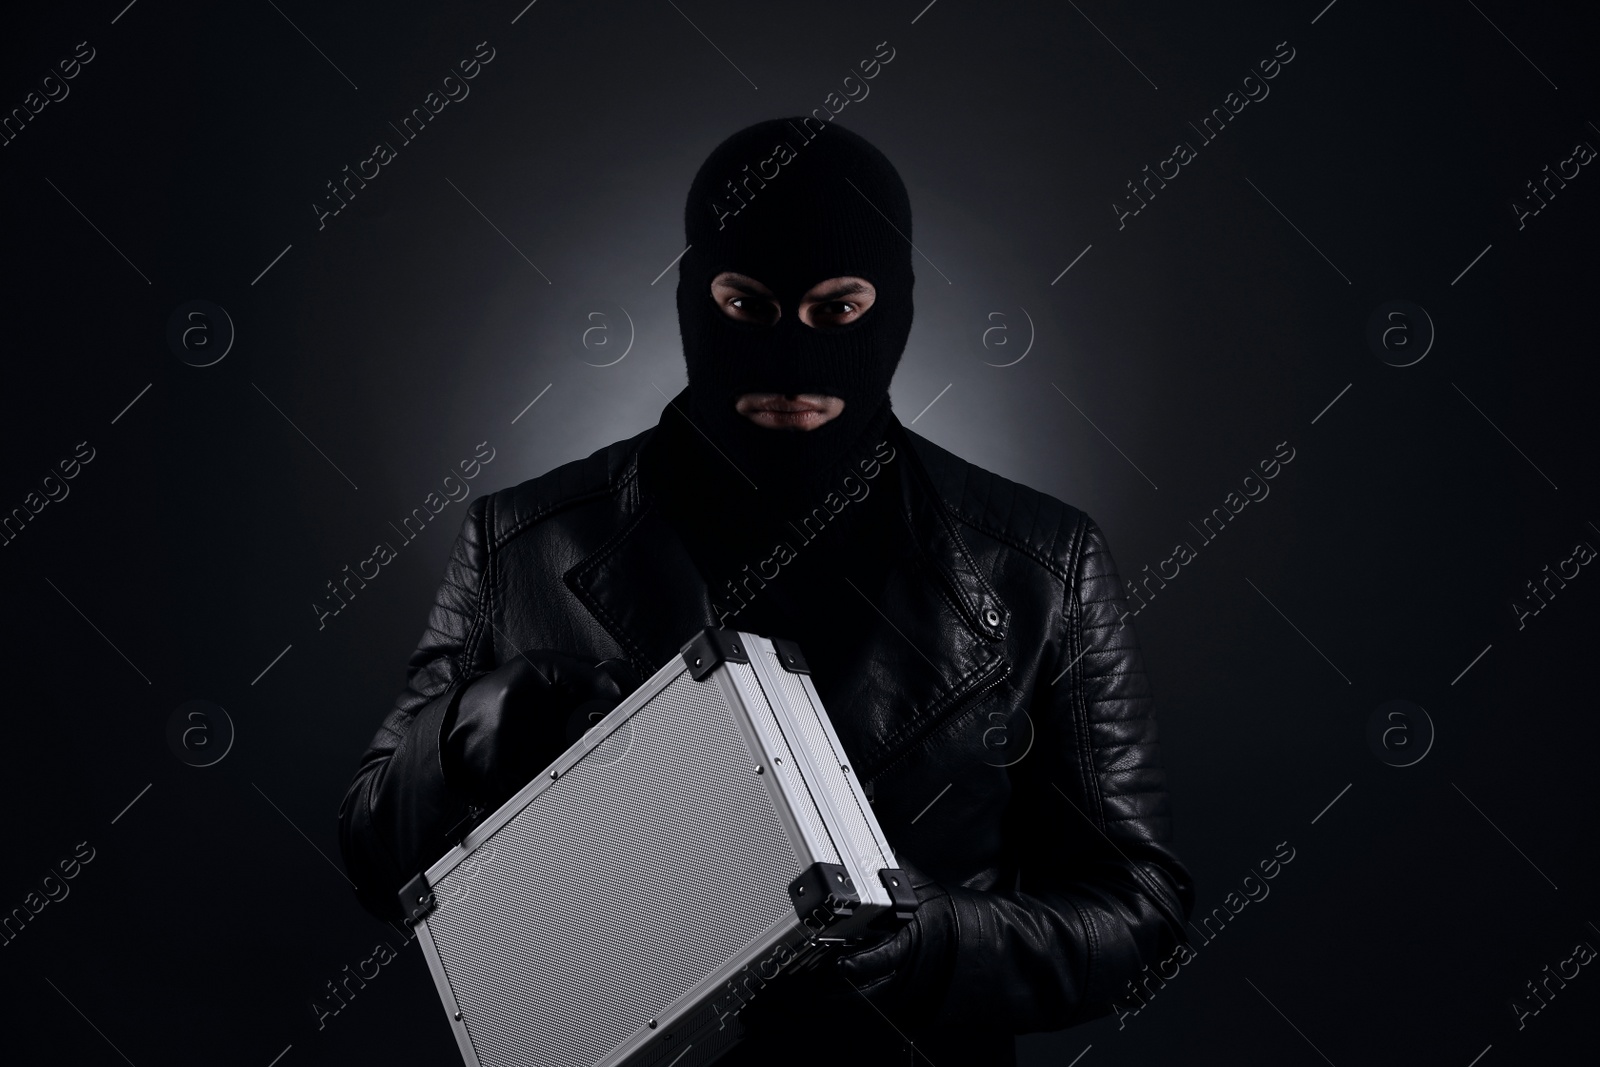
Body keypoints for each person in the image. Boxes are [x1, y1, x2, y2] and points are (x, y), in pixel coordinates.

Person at [337, 117, 1194, 1066]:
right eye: (748, 307)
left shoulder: (1041, 563)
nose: (792, 362)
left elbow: (1140, 909)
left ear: (895, 307)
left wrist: (936, 941)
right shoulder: (519, 544)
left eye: (838, 310)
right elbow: (377, 859)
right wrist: (463, 733)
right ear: (693, 302)